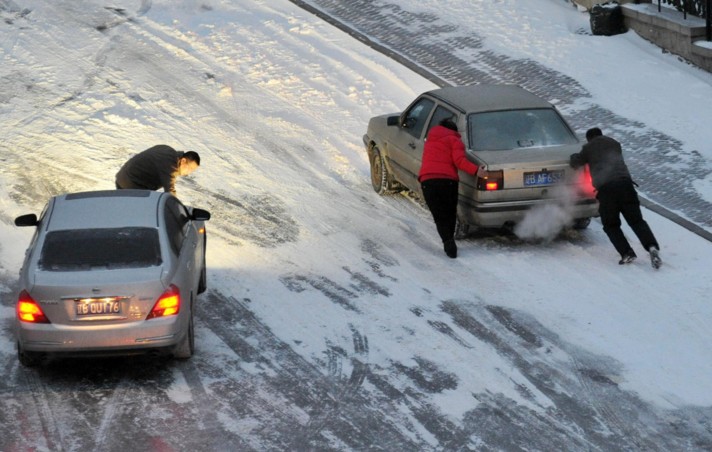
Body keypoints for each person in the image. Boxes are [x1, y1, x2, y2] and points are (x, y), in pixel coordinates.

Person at [570, 127, 662, 268]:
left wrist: (573, 157)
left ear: (589, 138)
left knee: (611, 225)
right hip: (626, 185)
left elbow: (577, 162)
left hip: (607, 190)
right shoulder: (614, 143)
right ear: (601, 135)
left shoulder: (588, 147)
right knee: (637, 221)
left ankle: (627, 253)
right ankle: (651, 247)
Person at [418, 118, 479, 258]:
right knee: (449, 213)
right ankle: (450, 243)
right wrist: (476, 170)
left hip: (428, 181)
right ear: (453, 130)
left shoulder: (430, 141)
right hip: (447, 181)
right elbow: (460, 161)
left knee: (438, 215)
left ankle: (447, 242)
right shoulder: (454, 140)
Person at [115, 145, 200, 197]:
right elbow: (170, 191)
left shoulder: (167, 150)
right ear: (183, 161)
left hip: (122, 178)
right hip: (132, 184)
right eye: (190, 168)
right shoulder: (171, 164)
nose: (189, 173)